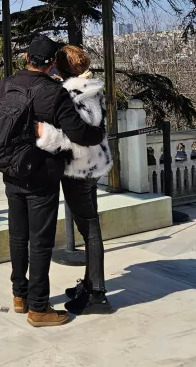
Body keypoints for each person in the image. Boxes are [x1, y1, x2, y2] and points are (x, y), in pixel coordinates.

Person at [0, 35, 106, 327]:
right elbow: (80, 133)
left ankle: (20, 296)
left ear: (27, 58)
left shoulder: (4, 85)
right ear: (51, 62)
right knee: (40, 242)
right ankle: (39, 307)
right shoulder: (53, 93)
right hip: (41, 173)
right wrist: (100, 135)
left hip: (11, 169)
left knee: (17, 236)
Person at [34, 44, 114, 315]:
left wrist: (44, 133)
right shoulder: (91, 87)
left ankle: (98, 294)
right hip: (92, 166)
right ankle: (91, 284)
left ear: (61, 67)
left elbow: (75, 133)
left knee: (90, 229)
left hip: (78, 168)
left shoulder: (72, 93)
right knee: (90, 226)